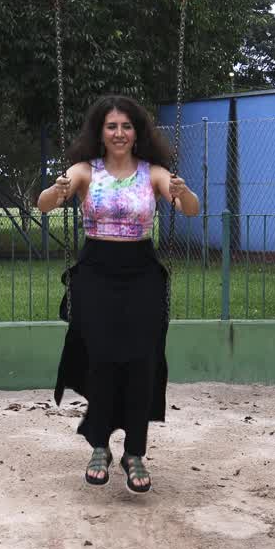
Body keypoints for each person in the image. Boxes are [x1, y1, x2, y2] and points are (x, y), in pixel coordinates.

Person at [37, 95, 200, 494]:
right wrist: (57, 191)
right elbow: (43, 205)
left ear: (137, 132)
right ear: (100, 132)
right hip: (96, 272)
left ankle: (135, 452)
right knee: (102, 358)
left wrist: (182, 191)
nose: (119, 133)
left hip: (141, 271)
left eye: (126, 126)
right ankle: (99, 446)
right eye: (112, 126)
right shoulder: (84, 171)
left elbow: (191, 209)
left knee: (142, 360)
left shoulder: (154, 173)